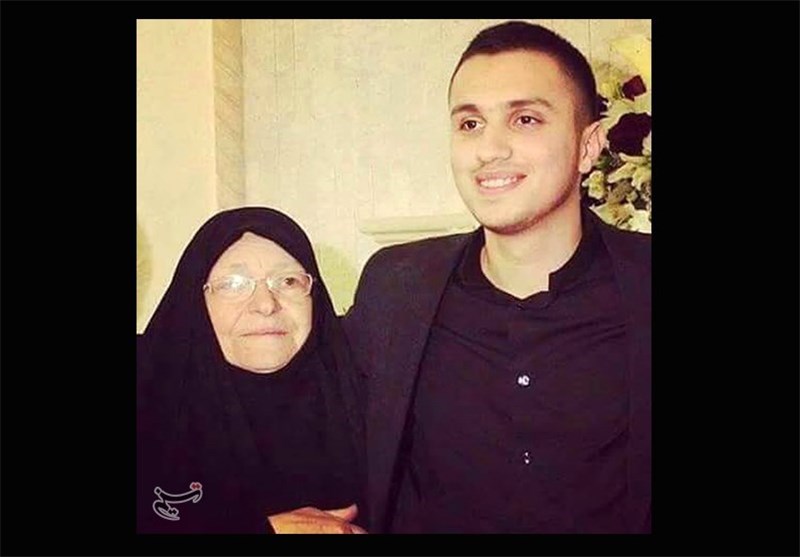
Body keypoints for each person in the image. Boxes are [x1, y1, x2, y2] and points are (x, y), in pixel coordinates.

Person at [344, 21, 651, 533]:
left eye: (525, 119)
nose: (489, 149)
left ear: (588, 145)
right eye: (469, 124)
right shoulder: (395, 286)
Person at [137, 207, 366, 534]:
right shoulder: (148, 401)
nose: (266, 304)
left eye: (288, 281)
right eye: (233, 283)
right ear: (195, 301)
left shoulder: (369, 401)